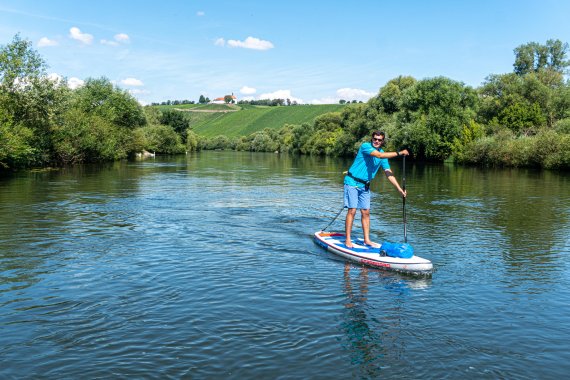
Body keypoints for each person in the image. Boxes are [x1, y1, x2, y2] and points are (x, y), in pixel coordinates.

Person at [343, 131, 408, 248]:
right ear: (372, 139)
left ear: (383, 141)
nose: (377, 141)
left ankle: (367, 240)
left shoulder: (383, 153)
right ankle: (348, 239)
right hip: (352, 182)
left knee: (366, 212)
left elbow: (388, 172)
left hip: (365, 186)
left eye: (379, 140)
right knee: (352, 210)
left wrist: (399, 189)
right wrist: (400, 153)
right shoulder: (365, 147)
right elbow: (378, 155)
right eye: (375, 139)